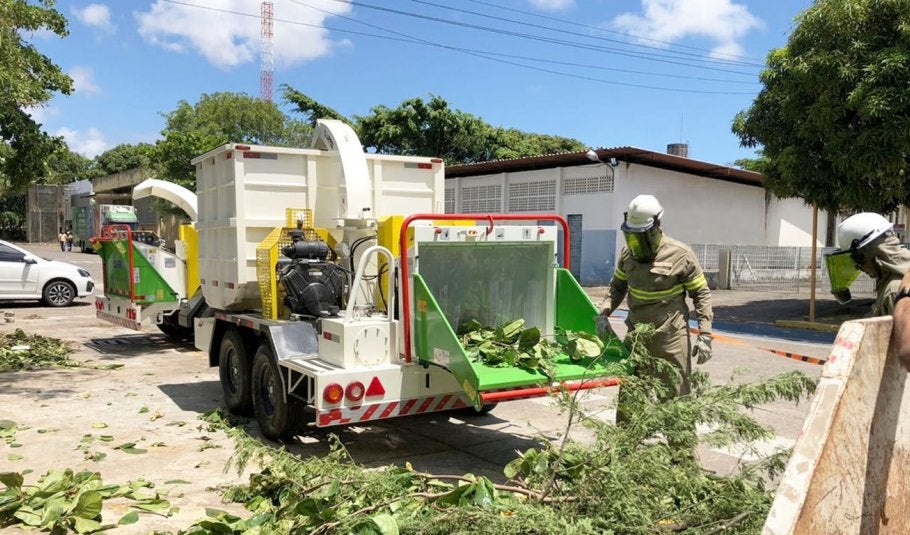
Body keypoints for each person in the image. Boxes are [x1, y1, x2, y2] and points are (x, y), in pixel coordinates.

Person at [600, 194, 713, 398]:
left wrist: (705, 334)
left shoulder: (680, 254)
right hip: (636, 336)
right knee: (632, 397)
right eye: (632, 235)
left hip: (670, 338)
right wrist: (603, 312)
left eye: (642, 235)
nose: (636, 242)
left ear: (656, 227)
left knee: (675, 398)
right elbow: (616, 287)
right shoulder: (627, 254)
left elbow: (701, 294)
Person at [825, 212, 910, 317]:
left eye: (858, 258)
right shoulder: (889, 280)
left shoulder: (894, 289)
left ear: (874, 251)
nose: (859, 267)